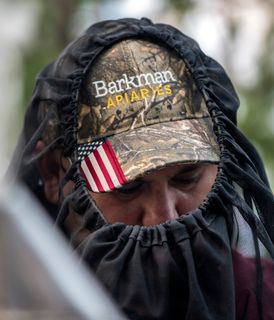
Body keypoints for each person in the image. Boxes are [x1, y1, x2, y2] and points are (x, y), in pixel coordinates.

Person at [8, 18, 274, 320]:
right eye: (128, 187)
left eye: (187, 178)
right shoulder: (24, 306)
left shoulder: (263, 299)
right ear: (53, 174)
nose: (165, 216)